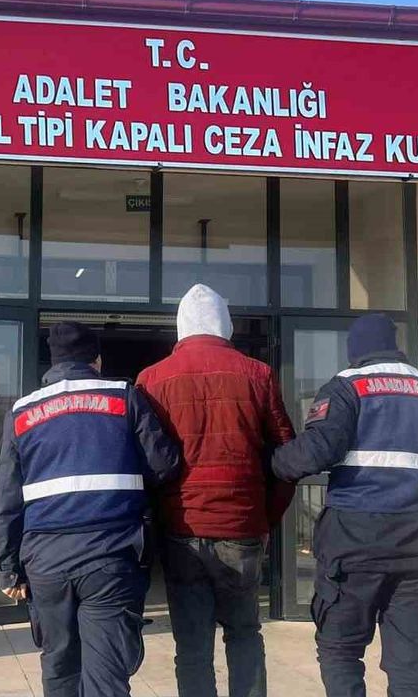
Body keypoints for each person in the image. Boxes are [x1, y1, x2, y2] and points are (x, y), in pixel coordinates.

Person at [271, 313, 418, 697]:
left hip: (356, 547)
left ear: (356, 350)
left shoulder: (347, 388)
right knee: (413, 662)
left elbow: (314, 453)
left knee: (340, 649)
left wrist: (272, 462)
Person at [0, 321, 181, 697]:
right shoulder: (124, 397)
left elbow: (6, 498)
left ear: (53, 362)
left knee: (59, 665)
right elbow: (164, 465)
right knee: (106, 673)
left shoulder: (22, 412)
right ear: (96, 360)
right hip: (111, 557)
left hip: (45, 561)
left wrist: (8, 568)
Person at [136, 284, 296, 697]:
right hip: (241, 525)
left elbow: (145, 464)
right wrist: (264, 517)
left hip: (182, 528)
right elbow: (287, 457)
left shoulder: (151, 380)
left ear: (181, 326)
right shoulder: (258, 374)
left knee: (191, 645)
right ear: (226, 325)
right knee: (244, 633)